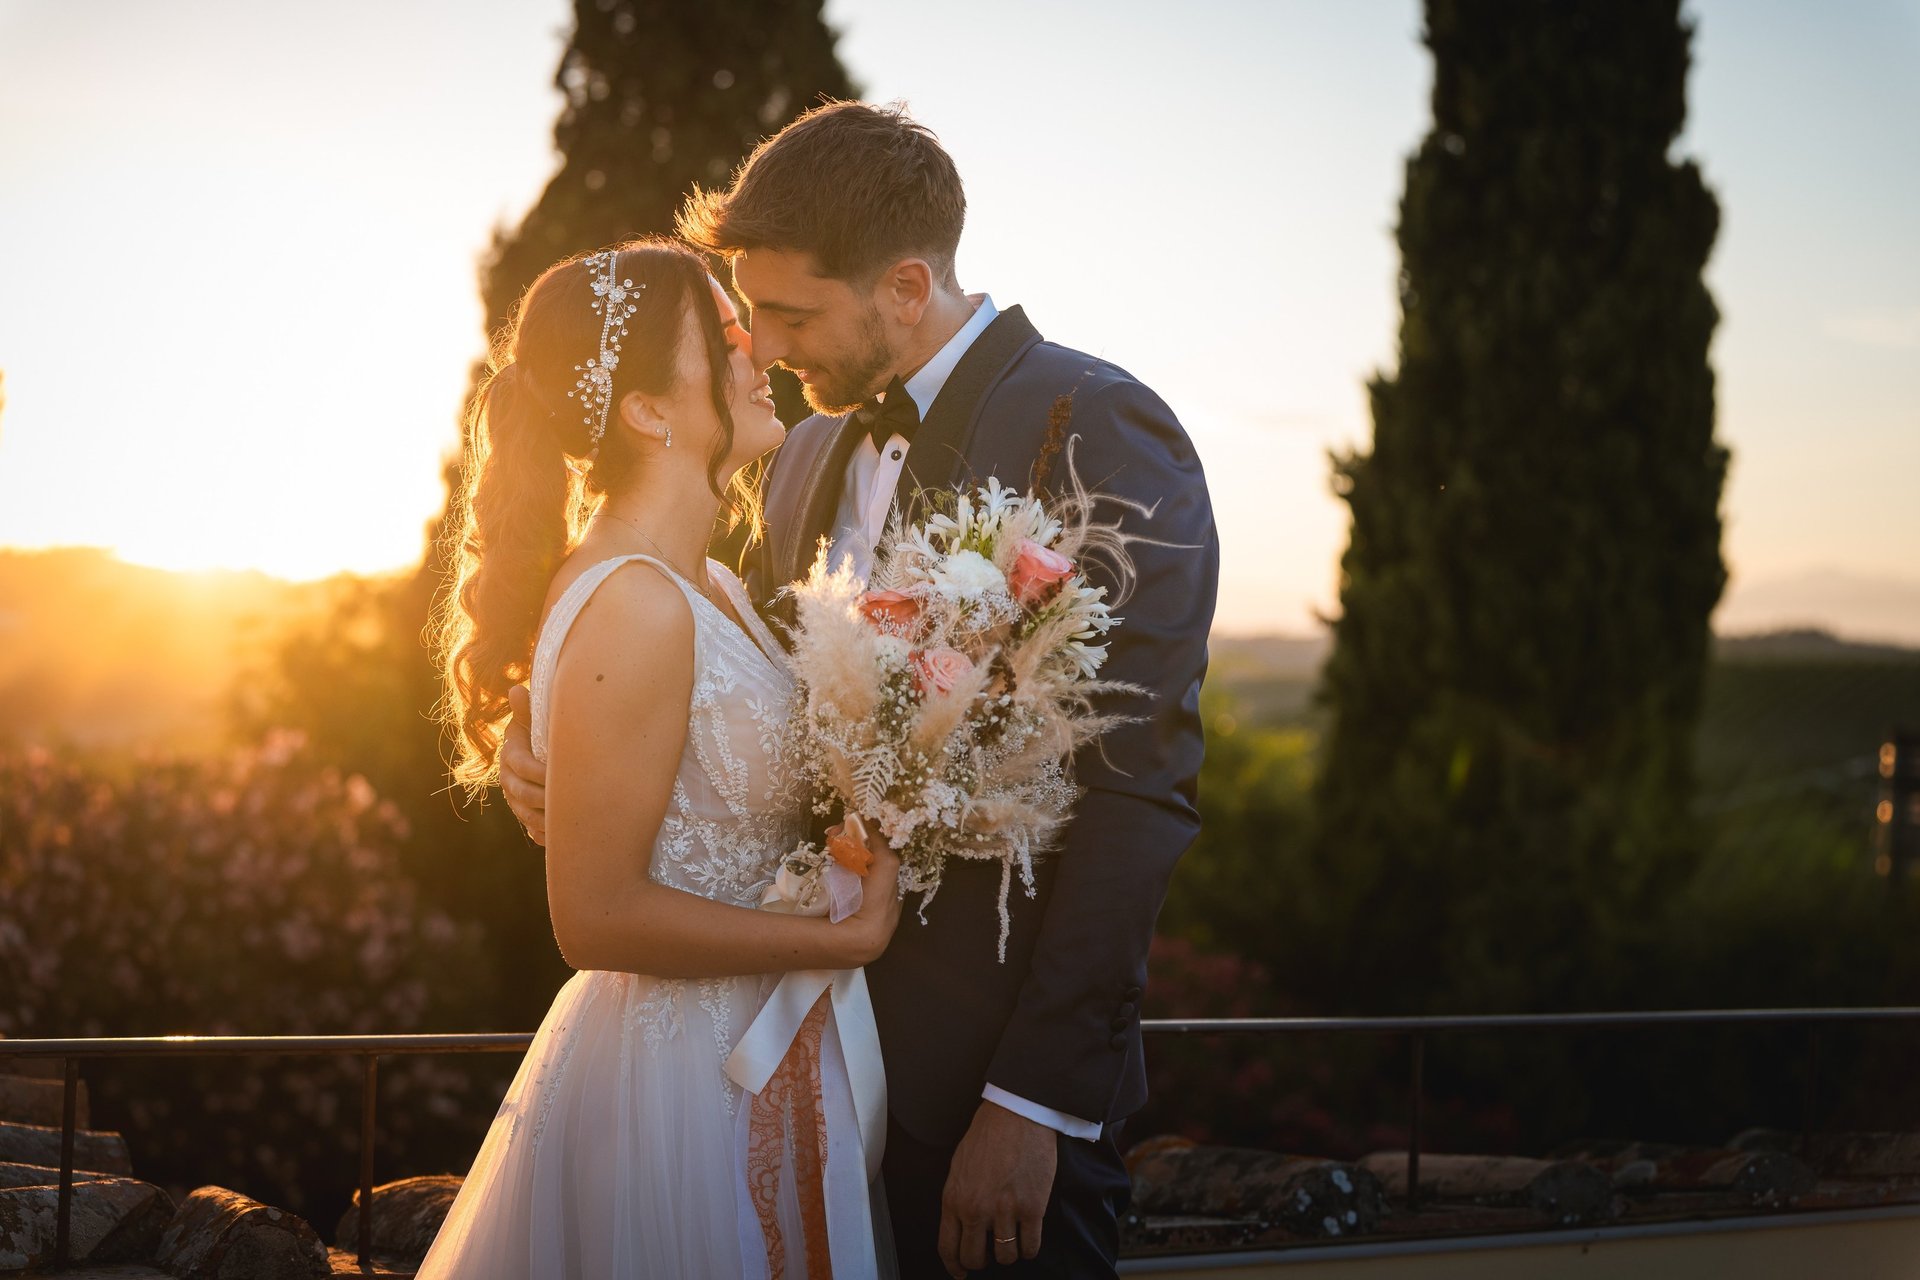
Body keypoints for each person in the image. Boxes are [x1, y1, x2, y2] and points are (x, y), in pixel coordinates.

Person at [502, 101, 1219, 1278]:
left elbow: (1138, 796)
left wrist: (1033, 1102)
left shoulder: (1096, 428)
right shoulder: (798, 460)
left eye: (790, 314)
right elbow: (724, 705)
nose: (768, 350)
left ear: (901, 284)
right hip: (782, 1084)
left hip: (981, 1099)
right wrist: (541, 752)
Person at [421, 236, 902, 1279]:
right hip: (680, 1080)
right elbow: (591, 914)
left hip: (758, 1050)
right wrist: (839, 937)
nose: (755, 352)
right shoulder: (633, 600)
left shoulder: (714, 586)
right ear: (646, 409)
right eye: (725, 338)